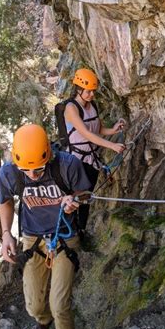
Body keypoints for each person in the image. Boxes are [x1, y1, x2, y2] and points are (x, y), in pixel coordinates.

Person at [0, 123, 92, 329]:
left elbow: (85, 193)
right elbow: (5, 201)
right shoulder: (9, 174)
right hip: (32, 237)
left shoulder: (66, 165)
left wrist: (75, 201)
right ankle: (42, 322)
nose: (33, 175)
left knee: (59, 304)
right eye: (26, 170)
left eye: (38, 169)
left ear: (49, 155)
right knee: (35, 305)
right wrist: (7, 233)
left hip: (64, 236)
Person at [64, 68, 126, 232]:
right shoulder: (71, 108)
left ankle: (81, 230)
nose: (92, 95)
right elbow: (86, 134)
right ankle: (70, 231)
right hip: (76, 161)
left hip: (91, 159)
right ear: (79, 89)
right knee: (76, 198)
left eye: (93, 91)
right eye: (89, 91)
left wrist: (113, 130)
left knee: (87, 197)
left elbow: (97, 129)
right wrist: (112, 145)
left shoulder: (92, 106)